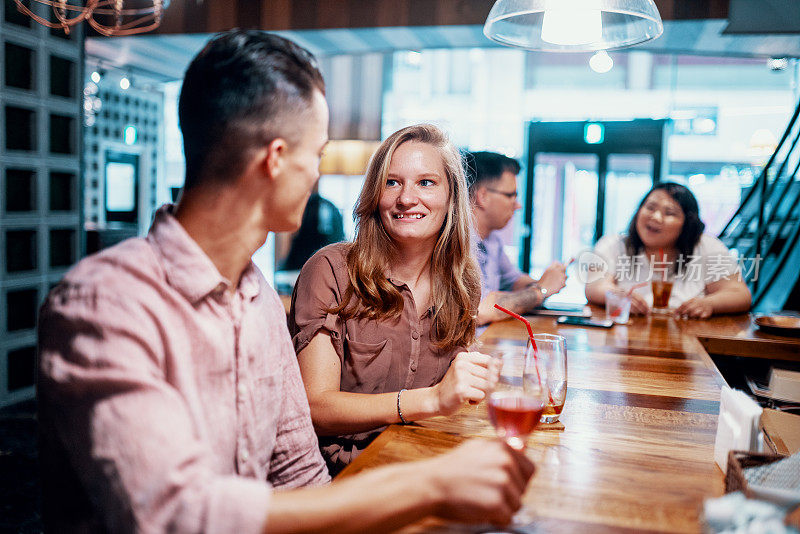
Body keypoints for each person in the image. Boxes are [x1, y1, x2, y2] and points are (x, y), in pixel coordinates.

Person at [37, 31, 535, 533]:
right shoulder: (106, 304)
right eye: (316, 154)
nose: (318, 174)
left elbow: (297, 468)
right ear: (275, 160)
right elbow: (174, 515)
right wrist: (428, 487)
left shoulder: (254, 297)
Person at [290, 124, 502, 475]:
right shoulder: (330, 270)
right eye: (392, 182)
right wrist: (430, 400)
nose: (406, 198)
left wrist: (471, 381)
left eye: (426, 182)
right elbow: (314, 407)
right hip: (337, 479)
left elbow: (452, 396)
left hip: (419, 467)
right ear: (375, 194)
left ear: (452, 196)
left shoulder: (463, 285)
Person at [585, 181, 751, 318]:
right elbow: (595, 286)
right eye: (650, 207)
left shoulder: (707, 246)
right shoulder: (613, 244)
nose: (655, 217)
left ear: (687, 224)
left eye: (669, 213)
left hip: (690, 342)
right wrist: (617, 296)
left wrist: (709, 304)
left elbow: (739, 294)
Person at [465, 151, 569, 325]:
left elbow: (513, 280)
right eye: (510, 195)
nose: (518, 205)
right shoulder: (455, 242)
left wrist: (548, 281)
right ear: (482, 196)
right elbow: (479, 311)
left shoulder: (492, 240)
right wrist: (541, 290)